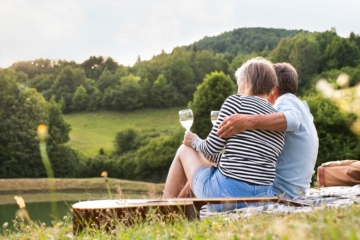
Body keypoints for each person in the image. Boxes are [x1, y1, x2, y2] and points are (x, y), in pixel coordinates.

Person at [162, 57, 286, 205]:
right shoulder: (276, 117)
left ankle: (163, 208)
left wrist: (193, 140)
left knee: (184, 149)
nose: (237, 89)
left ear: (246, 82)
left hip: (225, 195)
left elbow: (210, 149)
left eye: (238, 84)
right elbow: (250, 160)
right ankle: (178, 212)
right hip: (262, 198)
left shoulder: (236, 101)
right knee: (210, 167)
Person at [217, 62, 319, 199]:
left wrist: (247, 121)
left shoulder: (285, 101)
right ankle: (180, 208)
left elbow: (292, 120)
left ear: (274, 89)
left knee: (206, 162)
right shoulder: (300, 106)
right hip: (294, 191)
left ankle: (180, 209)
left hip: (279, 191)